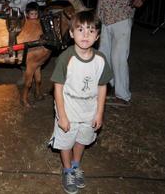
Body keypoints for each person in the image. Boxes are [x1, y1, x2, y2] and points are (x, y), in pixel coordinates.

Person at [48, 10, 112, 194]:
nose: (85, 35)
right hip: (69, 107)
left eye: (91, 31)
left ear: (97, 35)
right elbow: (58, 88)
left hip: (89, 108)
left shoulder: (100, 60)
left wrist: (99, 113)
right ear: (71, 33)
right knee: (66, 141)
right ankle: (67, 170)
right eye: (80, 29)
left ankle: (76, 165)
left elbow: (102, 87)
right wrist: (62, 115)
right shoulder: (66, 58)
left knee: (82, 139)